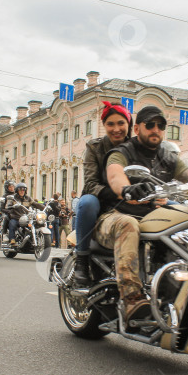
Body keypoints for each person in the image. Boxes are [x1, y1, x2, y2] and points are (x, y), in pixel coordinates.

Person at [98, 105, 188, 330]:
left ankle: (177, 293)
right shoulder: (123, 152)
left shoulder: (167, 158)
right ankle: (132, 301)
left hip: (153, 217)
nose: (155, 129)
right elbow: (115, 174)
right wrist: (127, 190)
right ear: (137, 128)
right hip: (116, 215)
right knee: (128, 224)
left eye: (160, 125)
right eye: (150, 125)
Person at [72, 101, 133, 286]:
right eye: (110, 124)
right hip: (99, 199)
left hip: (130, 201)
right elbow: (90, 183)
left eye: (121, 123)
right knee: (87, 203)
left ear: (129, 124)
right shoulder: (94, 147)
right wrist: (117, 193)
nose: (116, 129)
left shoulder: (136, 147)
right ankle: (81, 260)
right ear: (104, 126)